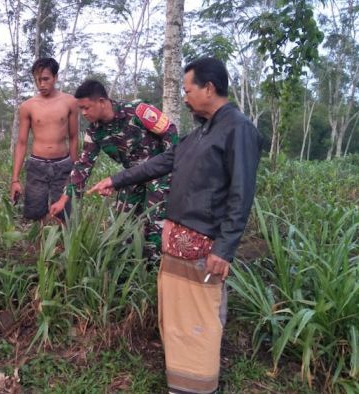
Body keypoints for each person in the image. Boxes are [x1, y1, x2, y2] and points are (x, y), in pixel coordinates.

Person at [88, 57, 262, 394]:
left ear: (209, 88)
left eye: (188, 90)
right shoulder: (201, 133)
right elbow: (160, 163)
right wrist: (115, 179)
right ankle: (180, 383)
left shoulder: (237, 128)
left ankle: (199, 385)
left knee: (201, 320)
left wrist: (224, 249)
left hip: (205, 248)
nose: (184, 97)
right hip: (178, 247)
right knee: (180, 321)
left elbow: (241, 194)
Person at [49, 80, 178, 259]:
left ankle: (155, 273)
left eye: (87, 108)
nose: (84, 113)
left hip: (159, 174)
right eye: (81, 109)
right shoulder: (95, 131)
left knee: (155, 226)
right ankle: (124, 273)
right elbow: (83, 165)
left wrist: (172, 174)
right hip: (131, 176)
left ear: (102, 101)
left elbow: (170, 133)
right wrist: (64, 199)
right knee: (121, 226)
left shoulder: (138, 111)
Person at [10, 58, 79, 221]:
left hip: (62, 165)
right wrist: (15, 179)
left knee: (65, 215)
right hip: (37, 165)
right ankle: (39, 245)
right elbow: (21, 143)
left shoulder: (70, 102)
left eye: (45, 79)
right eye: (37, 80)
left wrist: (75, 172)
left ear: (55, 77)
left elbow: (74, 137)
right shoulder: (28, 106)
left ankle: (64, 246)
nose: (41, 84)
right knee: (34, 214)